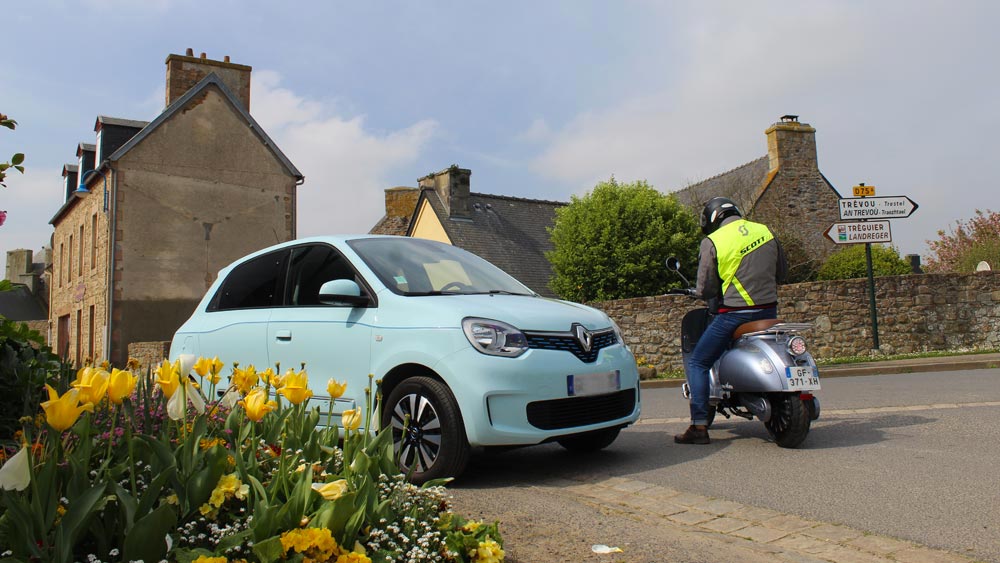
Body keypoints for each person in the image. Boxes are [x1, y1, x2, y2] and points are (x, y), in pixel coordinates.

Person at [674, 197, 788, 445]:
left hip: (734, 315)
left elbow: (706, 289)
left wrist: (697, 292)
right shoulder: (765, 231)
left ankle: (699, 426)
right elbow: (782, 273)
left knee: (698, 362)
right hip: (769, 314)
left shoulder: (713, 241)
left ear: (712, 219)